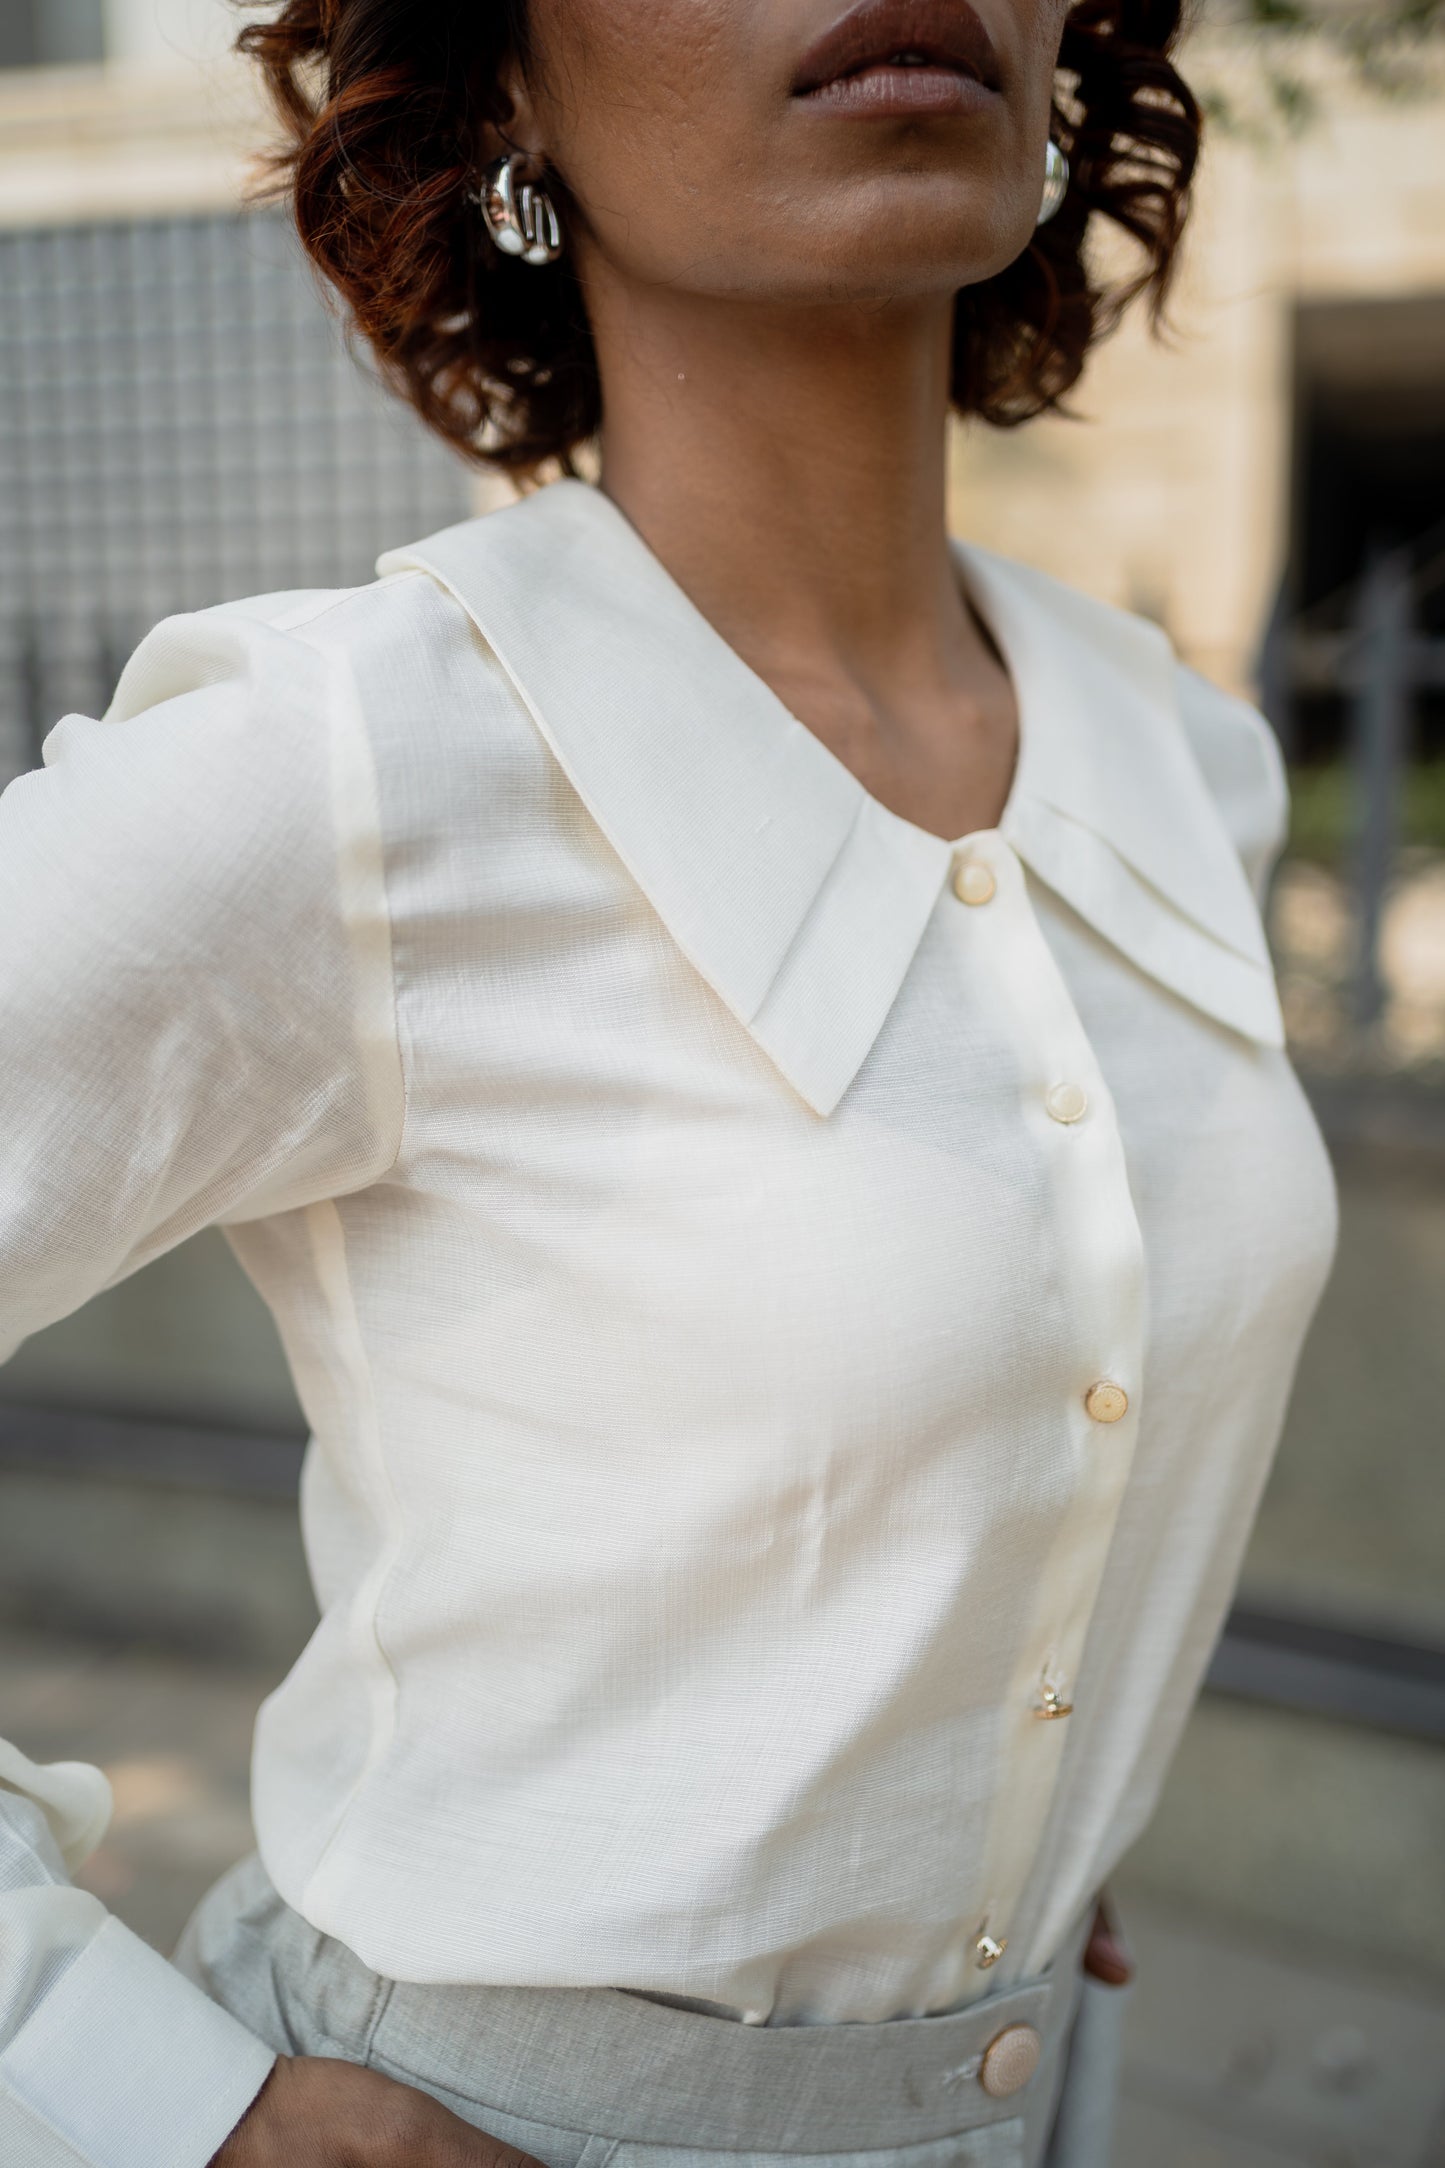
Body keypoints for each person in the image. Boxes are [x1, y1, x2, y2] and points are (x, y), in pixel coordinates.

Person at [0, 2, 1340, 2165]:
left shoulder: (1181, 763)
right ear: (504, 75)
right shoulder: (348, 767)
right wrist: (132, 2083)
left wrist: (959, 1837)